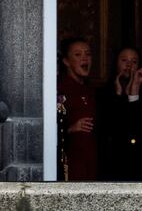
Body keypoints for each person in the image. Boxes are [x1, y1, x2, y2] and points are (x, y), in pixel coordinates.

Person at [96, 47, 142, 180]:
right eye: (124, 60)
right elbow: (110, 127)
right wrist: (118, 95)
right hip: (112, 161)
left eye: (134, 61)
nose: (129, 65)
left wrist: (134, 93)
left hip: (138, 162)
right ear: (116, 63)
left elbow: (139, 127)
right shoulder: (103, 93)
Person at [57, 37, 98, 180]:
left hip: (91, 161)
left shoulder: (90, 90)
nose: (85, 58)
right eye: (78, 54)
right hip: (70, 163)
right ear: (66, 61)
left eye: (88, 54)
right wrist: (70, 128)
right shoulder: (59, 88)